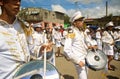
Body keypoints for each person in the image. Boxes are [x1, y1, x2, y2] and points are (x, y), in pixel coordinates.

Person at [0, 0, 52, 78]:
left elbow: (32, 50)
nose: (18, 3)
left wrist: (41, 48)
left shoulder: (23, 26)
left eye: (19, 0)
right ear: (1, 2)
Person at [64, 11, 93, 79]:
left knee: (86, 75)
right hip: (79, 59)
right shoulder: (71, 32)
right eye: (80, 20)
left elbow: (81, 44)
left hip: (85, 58)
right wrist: (77, 61)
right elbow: (66, 50)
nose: (82, 22)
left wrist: (89, 47)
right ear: (74, 22)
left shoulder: (80, 32)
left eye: (82, 20)